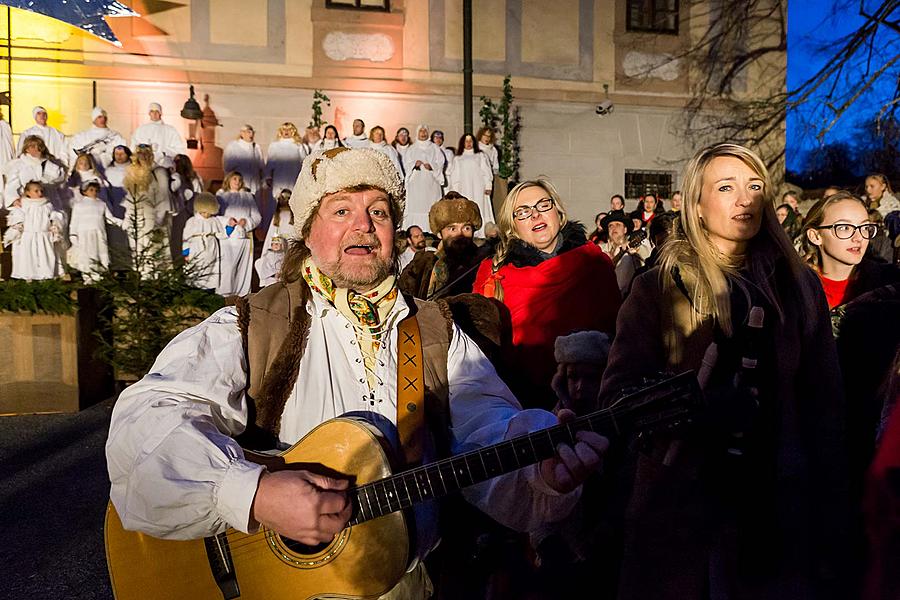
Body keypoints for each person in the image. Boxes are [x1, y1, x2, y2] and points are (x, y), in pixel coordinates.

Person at [106, 146, 607, 599]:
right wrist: (250, 492)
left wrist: (537, 465)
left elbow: (486, 423)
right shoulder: (254, 323)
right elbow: (146, 421)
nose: (363, 225)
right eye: (341, 210)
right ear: (308, 231)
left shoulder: (434, 330)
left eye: (379, 213)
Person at [598, 143, 851, 600]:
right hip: (679, 514)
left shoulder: (798, 285)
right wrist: (689, 411)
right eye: (726, 187)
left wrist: (831, 511)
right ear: (696, 203)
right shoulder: (657, 286)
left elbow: (826, 405)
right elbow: (617, 396)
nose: (744, 199)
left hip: (776, 510)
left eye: (755, 187)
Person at [472, 177, 620, 410]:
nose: (535, 215)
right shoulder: (492, 275)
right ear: (512, 226)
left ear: (558, 213)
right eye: (523, 211)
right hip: (522, 408)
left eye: (543, 205)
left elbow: (617, 336)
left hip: (594, 401)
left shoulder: (595, 264)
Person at [800, 191, 898, 310]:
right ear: (815, 236)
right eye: (844, 227)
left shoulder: (890, 282)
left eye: (865, 227)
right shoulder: (791, 286)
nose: (859, 238)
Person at [399, 193, 491, 300]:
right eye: (452, 229)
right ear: (439, 233)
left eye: (466, 228)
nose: (460, 235)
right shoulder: (422, 264)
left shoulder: (484, 264)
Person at [3, 181, 66, 280]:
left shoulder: (47, 205)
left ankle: (45, 277)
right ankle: (29, 278)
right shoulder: (24, 205)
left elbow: (55, 216)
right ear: (28, 192)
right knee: (28, 257)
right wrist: (17, 228)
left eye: (41, 190)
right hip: (28, 235)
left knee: (45, 256)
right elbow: (18, 218)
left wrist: (55, 225)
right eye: (36, 191)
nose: (40, 193)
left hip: (44, 235)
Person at [67, 180, 123, 282]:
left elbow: (109, 218)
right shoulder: (79, 205)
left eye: (96, 190)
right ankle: (87, 276)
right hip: (84, 234)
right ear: (84, 191)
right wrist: (73, 234)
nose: (94, 192)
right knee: (87, 254)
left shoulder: (101, 204)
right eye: (91, 190)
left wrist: (122, 223)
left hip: (98, 234)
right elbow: (74, 221)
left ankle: (97, 275)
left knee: (97, 253)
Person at [216, 171, 261, 297]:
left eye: (239, 179)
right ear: (228, 180)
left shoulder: (248, 197)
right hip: (227, 237)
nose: (237, 182)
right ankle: (224, 294)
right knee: (227, 266)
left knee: (242, 268)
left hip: (243, 237)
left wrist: (246, 222)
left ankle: (241, 295)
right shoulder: (221, 196)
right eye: (234, 179)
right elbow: (215, 216)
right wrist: (227, 221)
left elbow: (257, 217)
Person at [447, 133, 494, 235]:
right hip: (464, 189)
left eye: (470, 141)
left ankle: (481, 232)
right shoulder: (458, 158)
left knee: (479, 208)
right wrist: (454, 192)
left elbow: (486, 172)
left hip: (479, 188)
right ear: (462, 143)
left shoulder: (481, 156)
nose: (468, 143)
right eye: (466, 141)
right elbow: (455, 177)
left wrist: (488, 185)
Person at [3, 135, 66, 210]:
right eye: (33, 146)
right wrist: (14, 200)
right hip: (28, 203)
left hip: (49, 201)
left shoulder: (50, 162)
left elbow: (58, 178)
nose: (37, 149)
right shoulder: (19, 165)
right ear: (27, 149)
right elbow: (11, 185)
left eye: (39, 146)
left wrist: (46, 163)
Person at [402, 125, 445, 230]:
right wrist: (414, 164)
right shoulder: (411, 149)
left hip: (430, 183)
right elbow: (406, 164)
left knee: (430, 205)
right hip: (416, 183)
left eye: (425, 131)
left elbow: (440, 163)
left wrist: (432, 166)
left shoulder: (434, 148)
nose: (423, 133)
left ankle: (431, 229)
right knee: (416, 205)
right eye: (421, 131)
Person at [182, 191, 227, 291]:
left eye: (209, 212)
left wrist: (228, 229)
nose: (206, 215)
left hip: (211, 248)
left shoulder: (214, 221)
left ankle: (209, 290)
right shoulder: (192, 221)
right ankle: (195, 289)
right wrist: (186, 252)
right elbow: (186, 237)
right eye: (204, 212)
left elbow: (220, 234)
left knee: (211, 269)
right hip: (196, 247)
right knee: (196, 268)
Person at [599, 212, 649, 296]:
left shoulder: (634, 247)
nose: (614, 228)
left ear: (625, 229)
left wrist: (637, 251)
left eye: (618, 224)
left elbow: (647, 255)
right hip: (602, 295)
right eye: (610, 226)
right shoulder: (600, 249)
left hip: (626, 297)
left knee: (627, 258)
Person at [130, 102, 187, 166]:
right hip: (144, 165)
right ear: (149, 113)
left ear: (160, 113)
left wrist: (164, 152)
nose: (154, 114)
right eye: (152, 111)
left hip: (165, 166)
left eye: (157, 111)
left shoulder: (170, 130)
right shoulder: (140, 130)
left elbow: (180, 150)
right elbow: (133, 149)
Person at [223, 124, 265, 194]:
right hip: (239, 184)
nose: (251, 134)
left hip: (254, 185)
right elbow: (227, 167)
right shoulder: (233, 146)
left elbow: (262, 166)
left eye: (252, 132)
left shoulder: (256, 147)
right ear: (242, 133)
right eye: (248, 132)